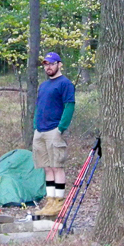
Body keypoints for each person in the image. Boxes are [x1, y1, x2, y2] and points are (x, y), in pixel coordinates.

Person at [32, 52, 75, 217]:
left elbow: (69, 106)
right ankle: (50, 201)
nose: (48, 67)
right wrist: (36, 125)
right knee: (47, 167)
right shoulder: (43, 86)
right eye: (45, 64)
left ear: (59, 64)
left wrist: (60, 128)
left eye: (51, 63)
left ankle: (58, 202)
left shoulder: (65, 84)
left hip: (54, 130)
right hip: (40, 131)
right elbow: (38, 107)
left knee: (57, 166)